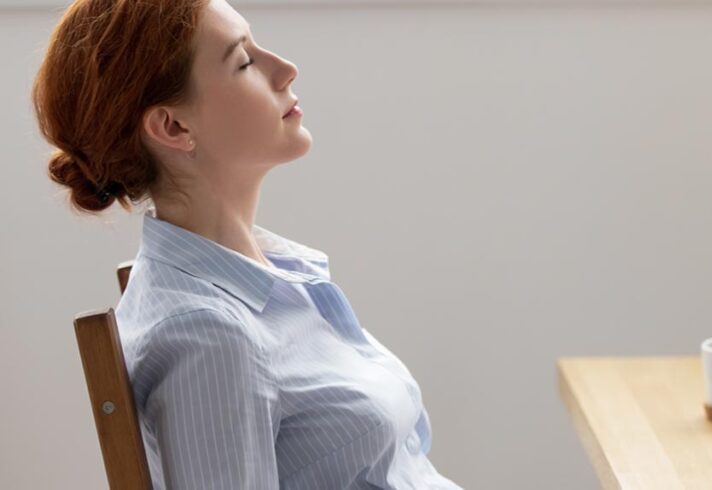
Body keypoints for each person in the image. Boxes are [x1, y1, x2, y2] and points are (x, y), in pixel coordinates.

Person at [33, 1, 462, 488]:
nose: (285, 69)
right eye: (243, 61)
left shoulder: (271, 274)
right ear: (174, 127)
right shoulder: (210, 334)